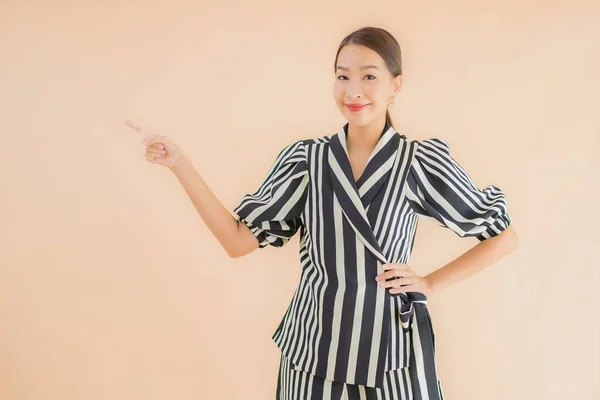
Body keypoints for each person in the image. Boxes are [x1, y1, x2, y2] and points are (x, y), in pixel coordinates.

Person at [125, 26, 519, 400]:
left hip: (392, 353)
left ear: (395, 85)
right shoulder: (306, 160)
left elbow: (504, 237)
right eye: (342, 76)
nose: (353, 91)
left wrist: (430, 284)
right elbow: (237, 241)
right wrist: (180, 164)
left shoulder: (419, 161)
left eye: (368, 77)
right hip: (313, 353)